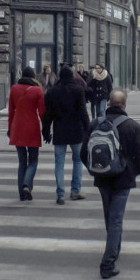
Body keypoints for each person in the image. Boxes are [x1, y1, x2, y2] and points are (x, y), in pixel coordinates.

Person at [81, 90, 140, 279]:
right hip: (123, 179)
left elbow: (83, 153)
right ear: (124, 104)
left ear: (109, 103)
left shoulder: (96, 124)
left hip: (102, 178)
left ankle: (114, 248)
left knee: (109, 216)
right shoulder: (133, 126)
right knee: (116, 219)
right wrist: (131, 171)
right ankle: (108, 263)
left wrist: (94, 169)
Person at [42, 66, 90, 205]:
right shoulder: (78, 90)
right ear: (72, 76)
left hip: (60, 131)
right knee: (77, 160)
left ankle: (60, 194)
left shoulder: (52, 92)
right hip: (76, 131)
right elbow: (83, 112)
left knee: (59, 164)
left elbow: (48, 115)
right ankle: (75, 191)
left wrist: (45, 131)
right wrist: (88, 130)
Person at [8, 67, 45, 201]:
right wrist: (46, 128)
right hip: (32, 127)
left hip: (17, 127)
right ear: (33, 77)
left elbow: (11, 111)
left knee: (22, 161)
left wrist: (9, 129)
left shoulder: (14, 89)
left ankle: (21, 193)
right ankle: (26, 185)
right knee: (33, 160)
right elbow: (42, 112)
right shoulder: (37, 90)